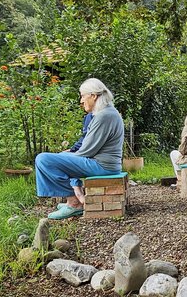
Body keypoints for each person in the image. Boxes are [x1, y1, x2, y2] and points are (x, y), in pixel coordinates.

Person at [35, 78, 124, 220]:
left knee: (43, 159)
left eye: (83, 96)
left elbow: (86, 151)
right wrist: (66, 156)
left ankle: (74, 203)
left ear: (94, 96)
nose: (81, 101)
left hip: (102, 166)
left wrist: (64, 158)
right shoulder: (106, 113)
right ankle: (74, 198)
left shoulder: (104, 116)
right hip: (102, 163)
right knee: (57, 158)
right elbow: (85, 151)